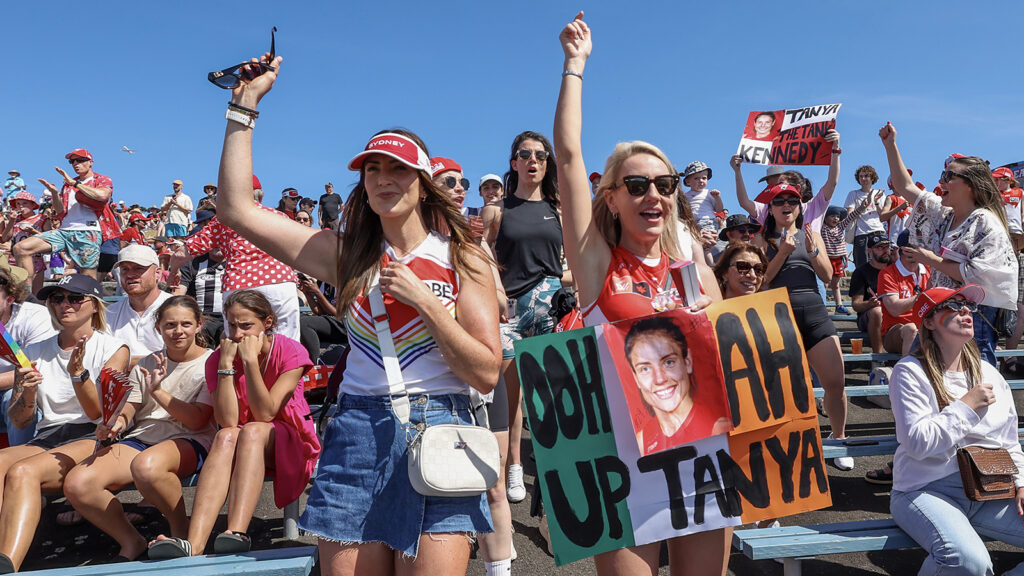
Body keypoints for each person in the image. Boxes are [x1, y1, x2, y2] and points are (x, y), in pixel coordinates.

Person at [208, 47, 500, 574]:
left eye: (398, 169)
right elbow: (235, 209)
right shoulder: (344, 256)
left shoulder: (463, 257)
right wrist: (244, 107)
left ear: (423, 182)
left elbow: (485, 371)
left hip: (440, 425)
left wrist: (427, 304)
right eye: (373, 169)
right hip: (357, 431)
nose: (384, 179)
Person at [553, 13, 728, 575]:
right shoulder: (597, 265)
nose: (652, 194)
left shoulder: (695, 270)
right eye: (635, 185)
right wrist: (575, 66)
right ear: (612, 198)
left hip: (700, 451)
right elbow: (568, 158)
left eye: (664, 184)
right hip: (621, 456)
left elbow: (730, 360)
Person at [148, 290, 320, 559]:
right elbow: (227, 420)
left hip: (289, 439)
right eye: (231, 325)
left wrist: (250, 362)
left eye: (246, 325)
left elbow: (265, 413)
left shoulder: (290, 351)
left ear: (267, 322)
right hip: (242, 440)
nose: (238, 334)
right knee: (225, 435)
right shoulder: (218, 359)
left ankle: (236, 532)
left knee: (251, 430)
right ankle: (194, 543)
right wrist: (226, 364)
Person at [63, 296, 216, 562]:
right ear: (158, 328)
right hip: (143, 440)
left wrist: (158, 392)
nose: (178, 331)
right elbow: (129, 410)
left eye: (185, 324)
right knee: (78, 483)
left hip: (190, 438)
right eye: (170, 325)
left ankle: (181, 533)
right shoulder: (147, 364)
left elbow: (197, 421)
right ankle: (131, 540)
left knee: (146, 466)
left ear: (198, 325)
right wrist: (115, 424)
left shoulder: (211, 362)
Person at [888, 284, 1024, 575]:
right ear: (928, 321)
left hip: (989, 489)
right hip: (926, 490)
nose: (965, 310)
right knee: (967, 561)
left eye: (969, 306)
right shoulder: (910, 371)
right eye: (952, 305)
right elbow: (917, 444)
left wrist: (1021, 482)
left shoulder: (990, 373)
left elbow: (1010, 440)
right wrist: (966, 407)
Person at [0, 274, 129, 573]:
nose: (64, 304)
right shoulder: (34, 350)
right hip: (50, 434)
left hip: (95, 434)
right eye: (57, 298)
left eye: (75, 298)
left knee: (22, 471)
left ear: (94, 304)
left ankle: (8, 563)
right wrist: (28, 393)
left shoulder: (114, 348)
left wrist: (78, 374)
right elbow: (19, 419)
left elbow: (99, 414)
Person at [430, 155, 515, 573]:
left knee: (493, 482)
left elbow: (500, 303)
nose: (460, 188)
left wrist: (469, 294)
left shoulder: (473, 243)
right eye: (448, 182)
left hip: (481, 371)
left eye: (462, 181)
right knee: (439, 485)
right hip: (435, 381)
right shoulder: (409, 246)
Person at [880, 122, 1018, 366]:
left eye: (948, 176)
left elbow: (978, 276)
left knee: (973, 379)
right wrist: (890, 145)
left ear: (970, 185)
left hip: (972, 317)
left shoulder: (986, 222)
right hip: (939, 312)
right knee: (924, 371)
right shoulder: (945, 214)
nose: (941, 181)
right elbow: (905, 187)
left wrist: (930, 260)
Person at [752, 182, 853, 469]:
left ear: (800, 207)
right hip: (778, 316)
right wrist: (782, 252)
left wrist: (813, 252)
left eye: (792, 200)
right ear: (771, 209)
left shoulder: (813, 233)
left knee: (836, 382)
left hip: (814, 313)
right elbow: (760, 282)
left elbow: (828, 276)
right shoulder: (761, 240)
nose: (787, 205)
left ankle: (839, 438)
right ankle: (787, 445)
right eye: (780, 200)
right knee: (783, 388)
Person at [488, 130, 564, 505]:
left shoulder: (559, 210)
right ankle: (515, 465)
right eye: (525, 154)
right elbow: (483, 255)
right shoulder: (497, 210)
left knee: (552, 397)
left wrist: (561, 283)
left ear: (547, 163)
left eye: (540, 154)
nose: (533, 159)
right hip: (509, 310)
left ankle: (554, 474)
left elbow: (572, 262)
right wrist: (495, 291)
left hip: (551, 308)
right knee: (512, 396)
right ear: (514, 162)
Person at [171, 186, 301, 342]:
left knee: (238, 342)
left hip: (240, 283)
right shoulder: (279, 216)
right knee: (288, 343)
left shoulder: (224, 220)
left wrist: (173, 273)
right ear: (260, 196)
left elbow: (180, 254)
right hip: (280, 283)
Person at [624, 317, 730, 454]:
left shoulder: (721, 426)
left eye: (669, 362)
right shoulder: (641, 443)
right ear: (636, 378)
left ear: (687, 362)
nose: (660, 379)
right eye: (645, 369)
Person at [18, 149, 112, 286]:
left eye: (80, 160)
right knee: (21, 248)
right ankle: (25, 293)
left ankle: (91, 299)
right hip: (64, 231)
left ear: (91, 162)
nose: (75, 164)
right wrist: (54, 193)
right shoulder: (68, 184)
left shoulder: (101, 179)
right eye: (72, 161)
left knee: (88, 280)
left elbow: (103, 196)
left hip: (87, 231)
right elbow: (60, 211)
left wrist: (75, 184)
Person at [0, 265, 55, 446]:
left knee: (15, 396)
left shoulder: (34, 317)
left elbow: (33, 370)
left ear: (10, 299)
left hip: (25, 388)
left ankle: (21, 457)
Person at [105, 245, 172, 364]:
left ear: (157, 273)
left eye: (138, 268)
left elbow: (181, 357)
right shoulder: (110, 313)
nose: (130, 275)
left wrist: (123, 363)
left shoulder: (176, 308)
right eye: (125, 269)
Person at [821, 194, 876, 313]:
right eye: (832, 216)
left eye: (837, 216)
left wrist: (861, 207)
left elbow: (851, 217)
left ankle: (839, 305)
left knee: (836, 284)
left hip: (838, 259)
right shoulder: (823, 228)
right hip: (827, 259)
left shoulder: (840, 227)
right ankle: (821, 305)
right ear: (825, 218)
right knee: (825, 283)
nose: (835, 219)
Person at [173, 246, 226, 347]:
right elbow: (177, 294)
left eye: (221, 241)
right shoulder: (193, 264)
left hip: (230, 318)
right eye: (215, 241)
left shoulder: (238, 263)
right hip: (203, 318)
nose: (218, 245)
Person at [849, 233, 893, 354]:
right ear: (869, 251)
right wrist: (870, 303)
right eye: (880, 248)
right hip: (868, 318)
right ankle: (878, 357)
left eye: (887, 247)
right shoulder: (861, 272)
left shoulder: (896, 268)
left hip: (893, 312)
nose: (885, 251)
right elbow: (856, 305)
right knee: (877, 311)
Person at [843, 165, 888, 269]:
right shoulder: (853, 194)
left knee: (881, 266)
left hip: (879, 232)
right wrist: (862, 207)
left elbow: (883, 215)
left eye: (866, 176)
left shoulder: (879, 194)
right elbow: (849, 216)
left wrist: (876, 202)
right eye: (861, 176)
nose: (863, 179)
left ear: (872, 178)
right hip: (861, 235)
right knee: (862, 268)